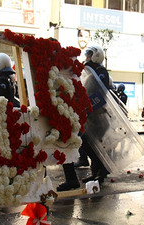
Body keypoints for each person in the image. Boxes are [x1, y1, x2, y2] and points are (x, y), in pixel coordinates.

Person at [57, 45, 110, 191]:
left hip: (97, 114)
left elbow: (99, 92)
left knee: (93, 144)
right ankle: (97, 172)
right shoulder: (89, 71)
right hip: (89, 113)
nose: (86, 57)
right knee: (87, 143)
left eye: (89, 54)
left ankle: (101, 173)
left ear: (96, 55)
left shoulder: (100, 71)